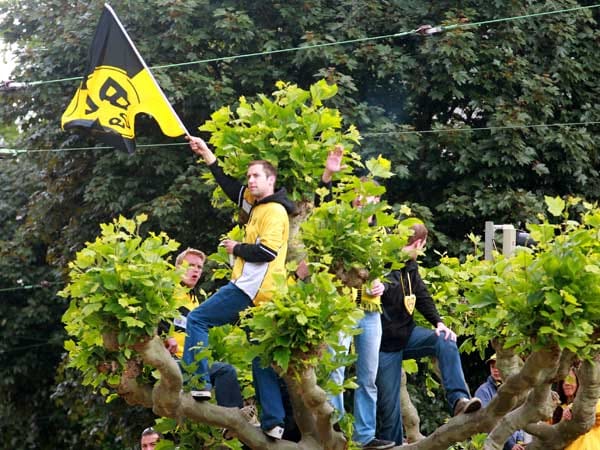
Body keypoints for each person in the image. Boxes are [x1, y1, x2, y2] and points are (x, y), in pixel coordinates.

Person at [184, 136, 295, 440]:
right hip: (265, 296)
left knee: (198, 319)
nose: (250, 181)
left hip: (251, 289)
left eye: (256, 176)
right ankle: (274, 422)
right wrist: (208, 155)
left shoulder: (273, 211)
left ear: (271, 179)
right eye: (249, 176)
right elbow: (231, 189)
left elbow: (268, 252)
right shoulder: (257, 205)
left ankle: (199, 382)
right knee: (261, 357)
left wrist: (235, 248)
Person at [375, 224, 481, 445]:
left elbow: (421, 295)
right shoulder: (385, 260)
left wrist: (439, 322)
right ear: (418, 244)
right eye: (421, 248)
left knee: (445, 339)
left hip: (409, 334)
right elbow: (389, 295)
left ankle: (459, 400)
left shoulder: (411, 265)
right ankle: (391, 445)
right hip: (385, 344)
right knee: (389, 408)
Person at [320, 147, 395, 450]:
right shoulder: (342, 226)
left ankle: (364, 436)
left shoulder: (382, 233)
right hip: (342, 307)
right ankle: (336, 430)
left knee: (368, 377)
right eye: (363, 196)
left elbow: (390, 272)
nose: (368, 201)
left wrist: (383, 286)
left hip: (371, 311)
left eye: (373, 197)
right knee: (336, 369)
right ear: (354, 198)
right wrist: (328, 175)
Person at [165, 247, 247, 411]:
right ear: (178, 267)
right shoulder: (166, 292)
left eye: (199, 267)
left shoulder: (197, 300)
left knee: (226, 371)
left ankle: (234, 416)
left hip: (192, 365)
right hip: (170, 364)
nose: (195, 270)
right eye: (191, 265)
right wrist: (163, 337)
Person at [475, 354, 529, 450]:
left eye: (498, 366)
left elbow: (518, 418)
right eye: (492, 367)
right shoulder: (483, 391)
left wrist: (519, 441)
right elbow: (488, 422)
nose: (495, 370)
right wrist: (511, 445)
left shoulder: (514, 390)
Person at [552, 368, 600, 450]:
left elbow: (595, 406)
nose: (567, 383)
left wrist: (572, 407)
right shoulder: (556, 409)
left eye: (570, 379)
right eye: (564, 380)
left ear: (579, 383)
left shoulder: (593, 403)